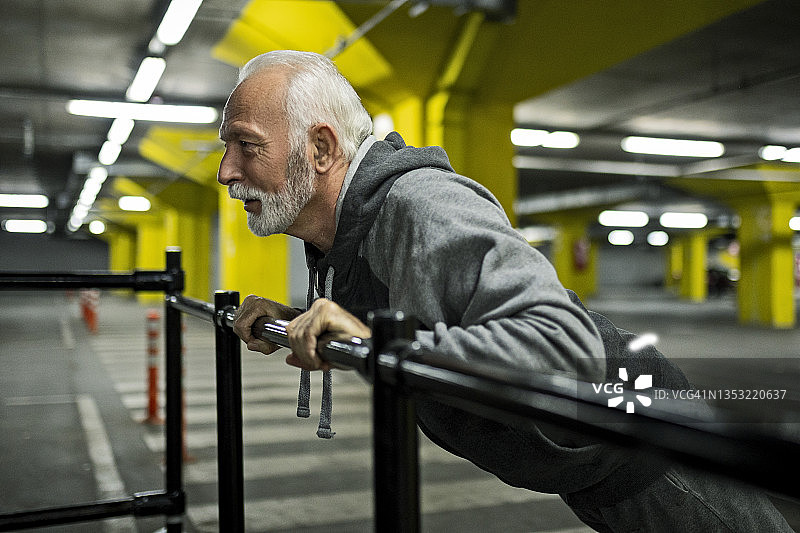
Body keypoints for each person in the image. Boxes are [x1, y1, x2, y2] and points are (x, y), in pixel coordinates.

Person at [218, 50, 793, 532]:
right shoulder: (355, 228)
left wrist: (375, 341)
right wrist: (305, 320)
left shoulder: (420, 207)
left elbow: (561, 342)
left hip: (637, 444)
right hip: (578, 461)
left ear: (320, 150)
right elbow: (426, 319)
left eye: (247, 145)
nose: (225, 170)